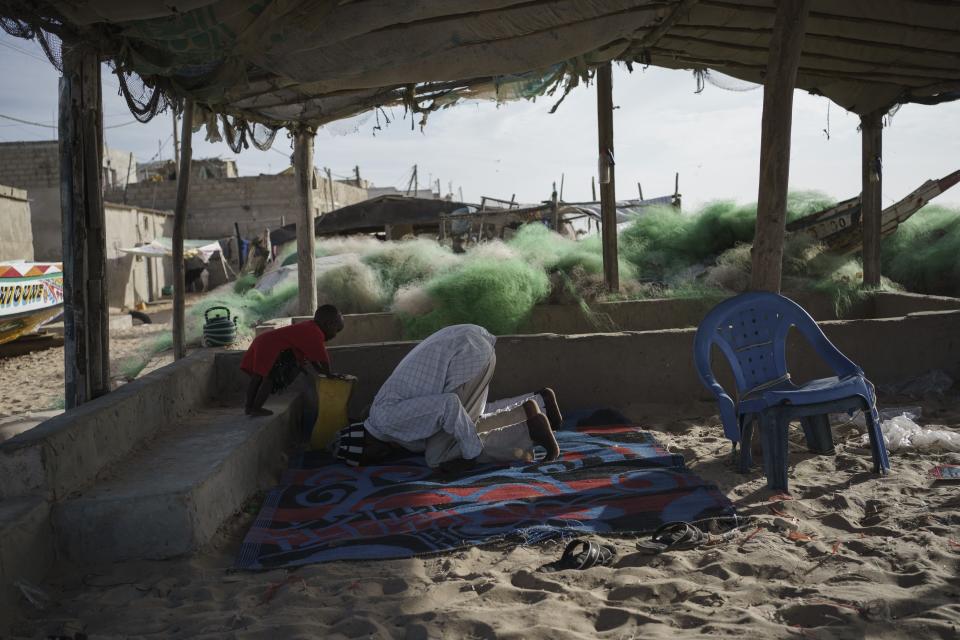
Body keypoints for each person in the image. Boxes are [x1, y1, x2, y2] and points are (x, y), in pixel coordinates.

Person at [335, 324, 563, 471]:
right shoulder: (382, 418)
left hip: (467, 356)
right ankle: (530, 411)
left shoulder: (386, 420)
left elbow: (448, 405)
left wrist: (469, 454)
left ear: (365, 444)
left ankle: (529, 433)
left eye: (369, 459)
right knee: (463, 425)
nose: (377, 461)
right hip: (472, 346)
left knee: (438, 456)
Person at [241, 304, 344, 416]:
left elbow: (313, 357)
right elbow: (322, 358)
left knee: (258, 378)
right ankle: (256, 408)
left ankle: (249, 407)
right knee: (269, 379)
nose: (335, 335)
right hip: (270, 346)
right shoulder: (316, 333)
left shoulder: (309, 327)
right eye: (337, 330)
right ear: (328, 324)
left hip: (263, 341)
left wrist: (322, 372)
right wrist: (329, 373)